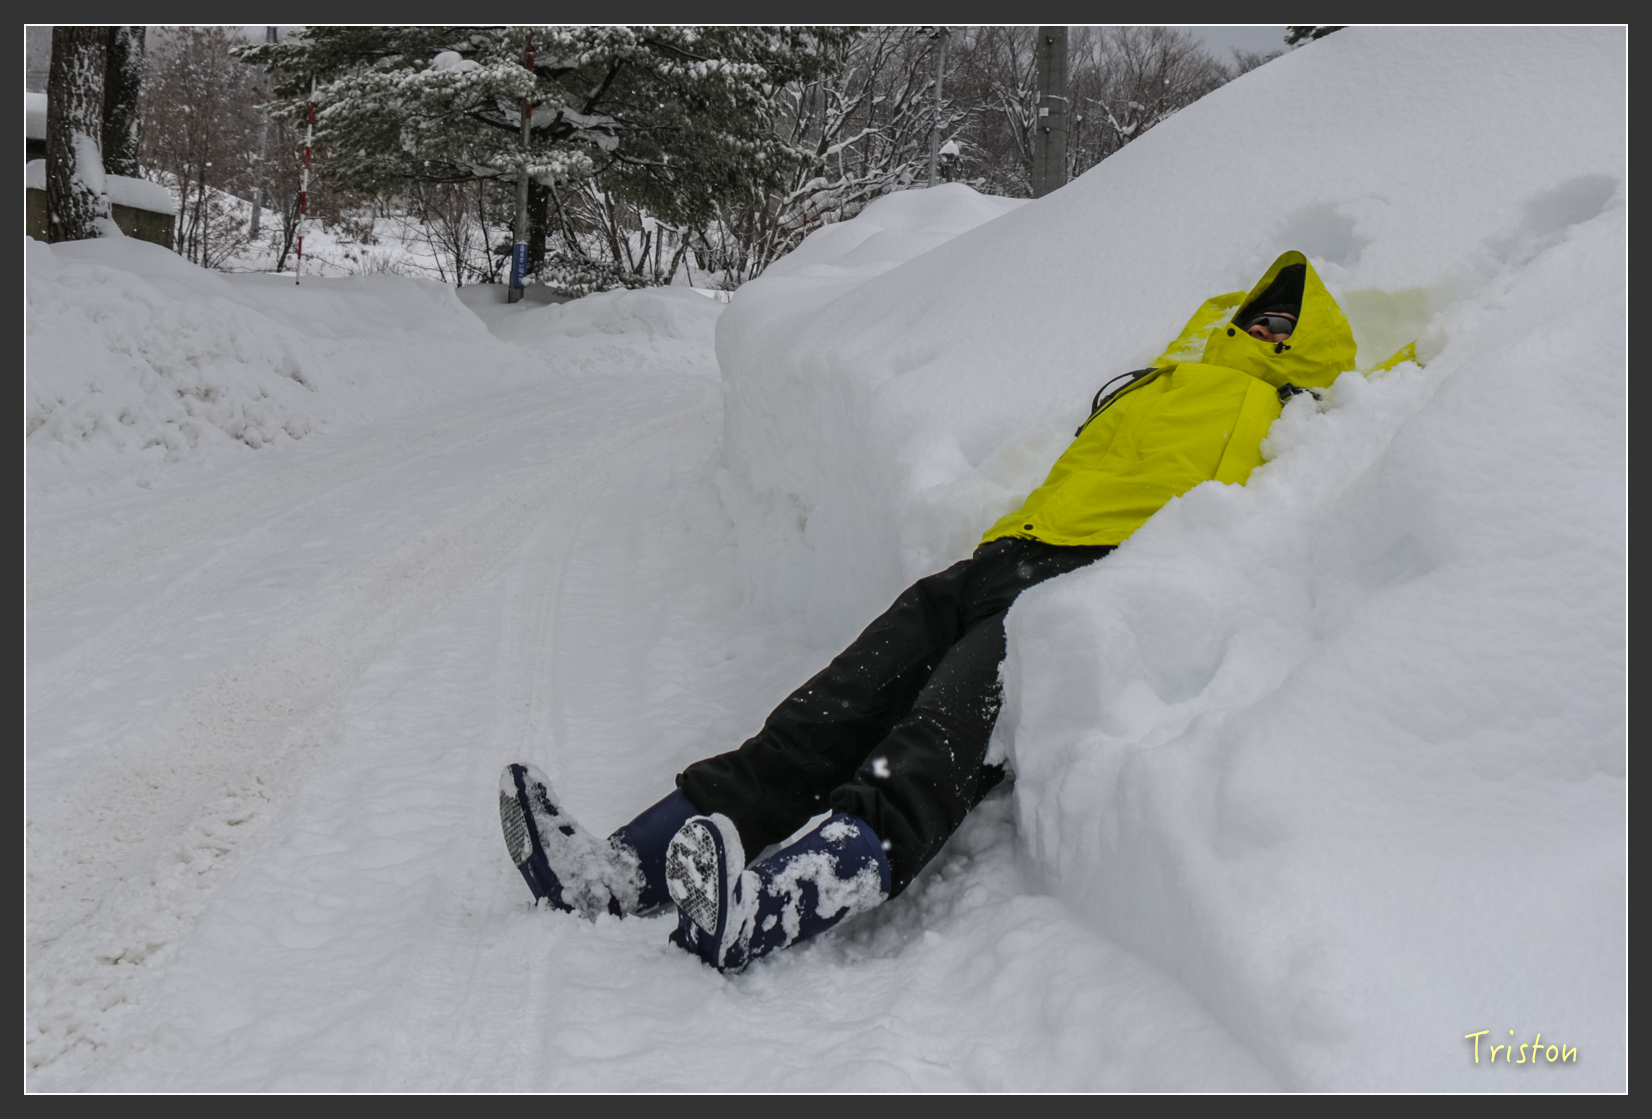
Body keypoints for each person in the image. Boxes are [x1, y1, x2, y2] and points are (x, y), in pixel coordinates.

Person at [499, 250, 1359, 972]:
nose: (1267, 328)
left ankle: (765, 907)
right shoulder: (1168, 374)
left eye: (1286, 324)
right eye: (1262, 313)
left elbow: (1368, 425)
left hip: (1080, 585)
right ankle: (616, 872)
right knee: (823, 712)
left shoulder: (1295, 409)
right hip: (996, 558)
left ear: (1305, 346)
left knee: (926, 749)